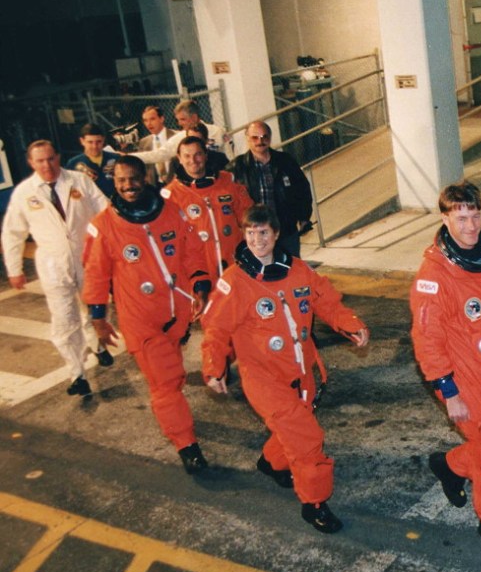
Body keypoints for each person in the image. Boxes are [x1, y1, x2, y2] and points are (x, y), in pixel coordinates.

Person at [201, 205, 369, 533]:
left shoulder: (298, 270)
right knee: (307, 438)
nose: (257, 240)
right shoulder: (234, 280)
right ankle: (315, 503)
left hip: (301, 369)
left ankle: (271, 462)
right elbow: (216, 330)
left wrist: (350, 324)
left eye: (263, 233)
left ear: (276, 234)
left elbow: (327, 302)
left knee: (292, 427)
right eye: (250, 233)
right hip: (263, 377)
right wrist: (214, 367)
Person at [82, 155, 212, 473]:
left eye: (133, 179)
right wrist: (98, 317)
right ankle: (186, 444)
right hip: (140, 319)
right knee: (164, 383)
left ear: (146, 177)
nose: (128, 186)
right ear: (114, 182)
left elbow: (192, 247)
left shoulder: (170, 212)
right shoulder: (104, 226)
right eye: (121, 180)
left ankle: (174, 410)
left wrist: (200, 281)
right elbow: (96, 273)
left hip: (178, 311)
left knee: (173, 374)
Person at [410, 182, 481, 552]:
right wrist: (448, 392)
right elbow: (427, 340)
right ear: (445, 218)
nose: (470, 226)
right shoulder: (433, 276)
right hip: (467, 380)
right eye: (461, 218)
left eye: (475, 216)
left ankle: (449, 465)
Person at [2, 140, 112, 397]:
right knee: (64, 319)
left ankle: (99, 345)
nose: (47, 165)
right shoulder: (24, 192)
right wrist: (14, 268)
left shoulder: (79, 180)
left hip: (86, 257)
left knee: (95, 306)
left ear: (58, 157)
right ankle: (77, 373)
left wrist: (111, 250)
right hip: (52, 264)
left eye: (51, 159)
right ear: (31, 163)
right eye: (40, 161)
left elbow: (104, 209)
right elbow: (12, 232)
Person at [160, 135, 252, 279]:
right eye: (187, 156)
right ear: (179, 158)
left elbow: (250, 220)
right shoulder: (170, 195)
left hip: (235, 262)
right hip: (200, 268)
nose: (193, 161)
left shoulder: (227, 181)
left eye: (198, 154)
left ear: (206, 155)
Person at [227, 121, 312, 256]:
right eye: (255, 137)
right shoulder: (237, 167)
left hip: (285, 229)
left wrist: (304, 217)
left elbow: (302, 190)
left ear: (270, 138)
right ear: (247, 139)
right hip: (255, 234)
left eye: (264, 137)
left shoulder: (286, 161)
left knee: (290, 268)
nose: (260, 141)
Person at [66, 123, 119, 198]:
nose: (95, 146)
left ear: (103, 140)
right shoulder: (73, 164)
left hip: (115, 202)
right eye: (90, 142)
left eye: (99, 142)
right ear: (82, 141)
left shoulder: (116, 159)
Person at [137, 105, 173, 183]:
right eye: (145, 120)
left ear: (161, 119)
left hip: (175, 183)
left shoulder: (175, 136)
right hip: (155, 186)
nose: (148, 124)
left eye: (152, 119)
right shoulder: (144, 142)